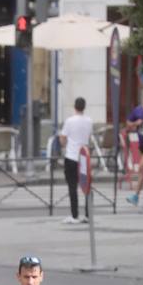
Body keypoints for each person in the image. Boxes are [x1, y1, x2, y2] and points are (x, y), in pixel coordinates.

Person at [59, 96, 94, 224]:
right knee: (87, 186)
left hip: (71, 156)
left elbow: (62, 139)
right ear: (84, 107)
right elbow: (89, 137)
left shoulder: (69, 121)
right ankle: (88, 214)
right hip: (84, 157)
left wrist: (65, 144)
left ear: (75, 107)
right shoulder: (89, 121)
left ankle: (74, 216)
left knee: (72, 187)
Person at [124, 102, 143, 207]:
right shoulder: (138, 110)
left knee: (141, 168)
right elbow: (128, 124)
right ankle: (137, 197)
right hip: (142, 145)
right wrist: (136, 123)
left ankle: (136, 196)